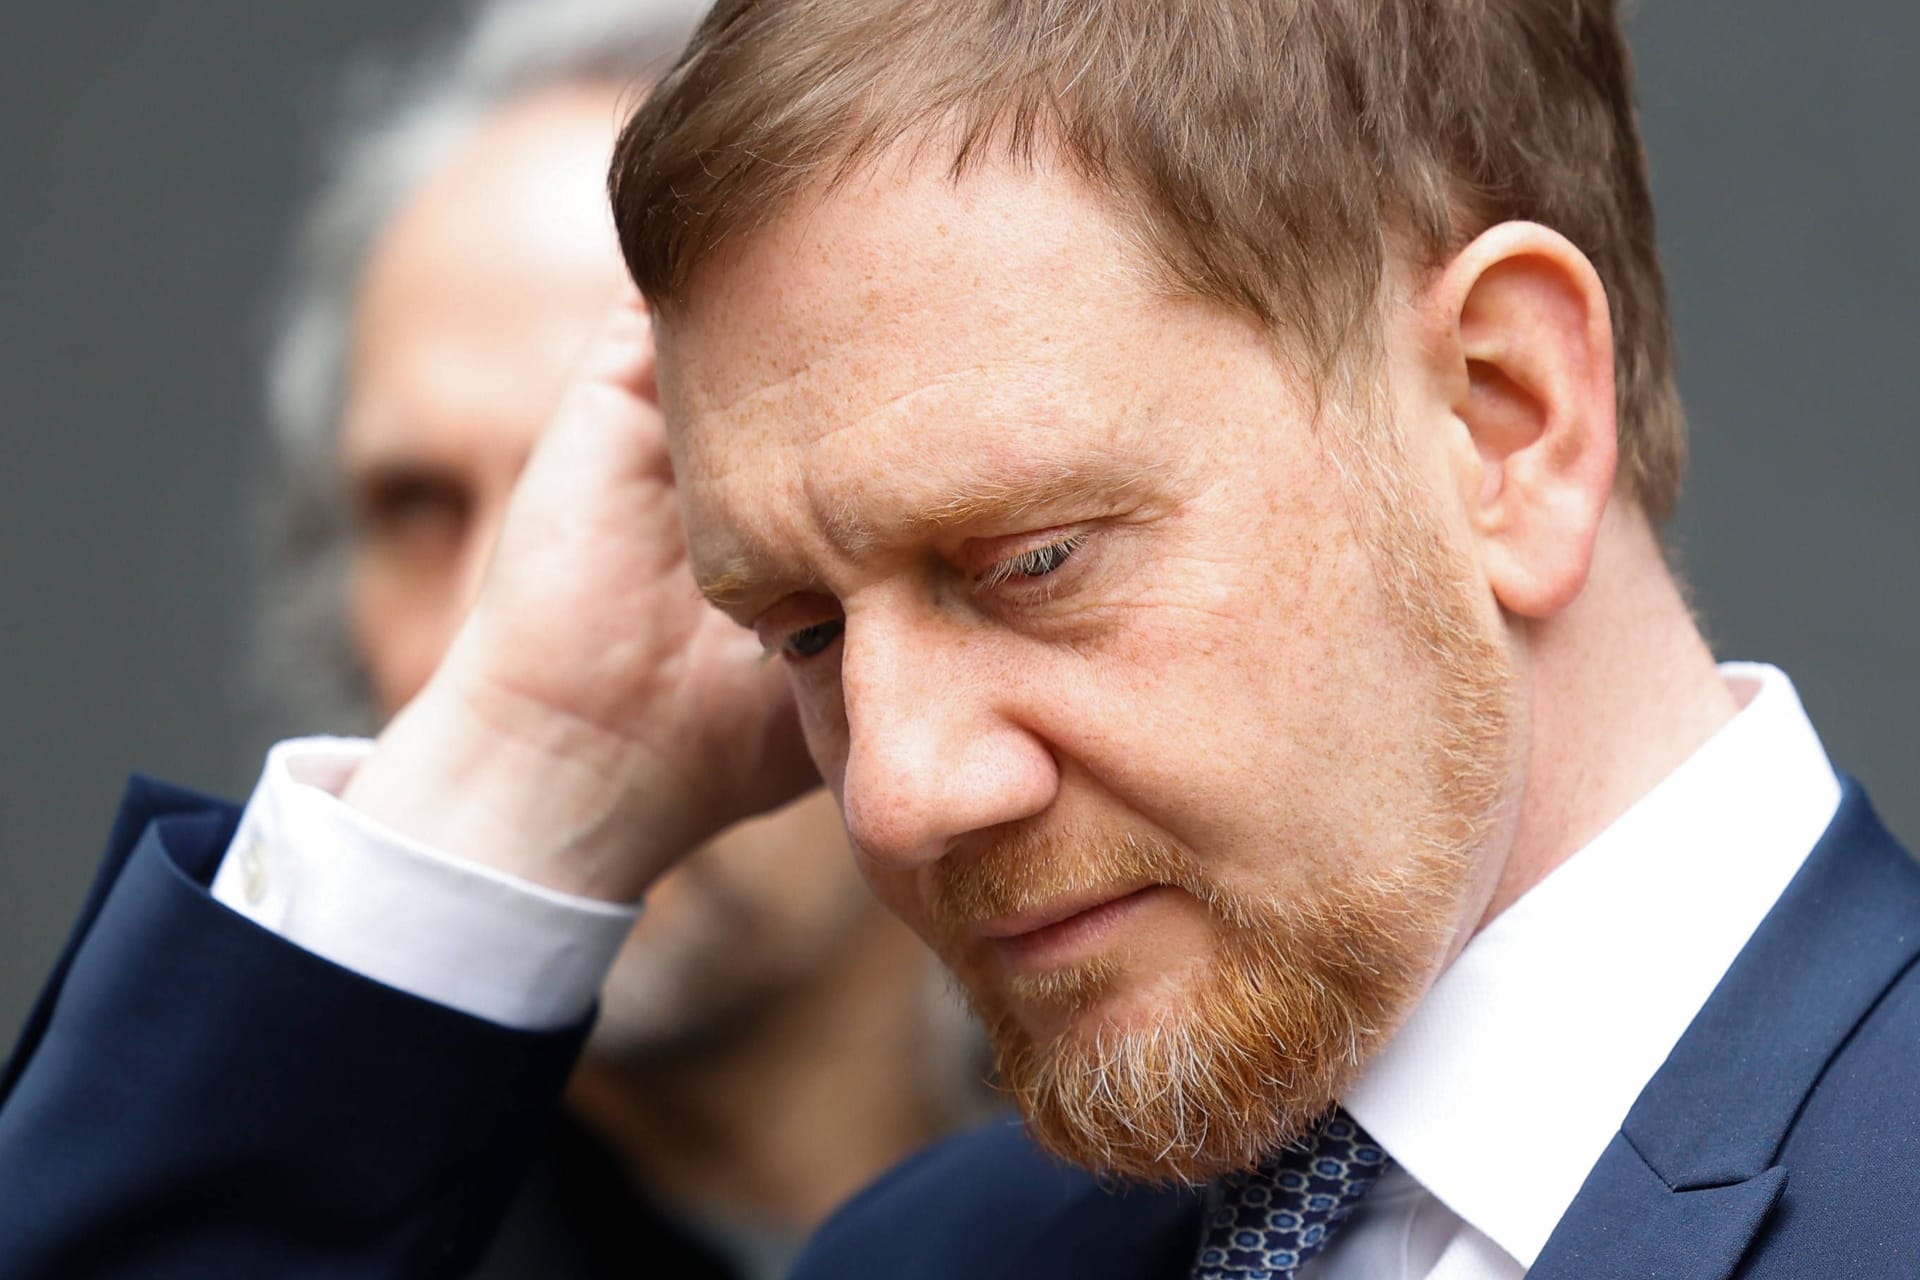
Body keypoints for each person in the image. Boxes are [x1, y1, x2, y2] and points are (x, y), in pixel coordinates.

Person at [0, 1, 1915, 1278]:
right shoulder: (934, 1259)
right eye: (807, 629)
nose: (902, 799)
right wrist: (527, 764)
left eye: (1035, 559)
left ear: (1503, 415)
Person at [260, 2, 984, 1277]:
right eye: (416, 509)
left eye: (637, 485)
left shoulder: (1305, 1188)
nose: (515, 631)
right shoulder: (265, 1206)